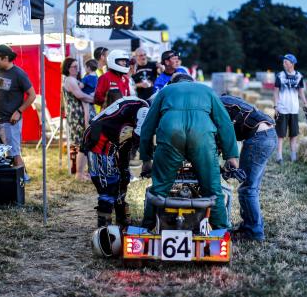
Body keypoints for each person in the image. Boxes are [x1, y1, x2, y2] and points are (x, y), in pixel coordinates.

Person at [139, 73, 239, 230]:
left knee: (159, 188)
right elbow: (224, 123)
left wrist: (146, 159)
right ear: (192, 82)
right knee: (213, 189)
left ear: (172, 83)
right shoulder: (207, 91)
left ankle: (146, 228)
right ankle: (221, 230)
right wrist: (231, 155)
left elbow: (147, 127)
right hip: (202, 136)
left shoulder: (165, 91)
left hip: (171, 133)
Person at [81, 89, 149, 227]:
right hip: (99, 140)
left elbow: (129, 142)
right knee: (107, 185)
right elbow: (139, 137)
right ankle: (104, 226)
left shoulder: (138, 108)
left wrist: (125, 167)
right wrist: (147, 161)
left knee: (122, 178)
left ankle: (121, 219)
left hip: (113, 142)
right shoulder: (143, 108)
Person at [220, 95, 277, 241]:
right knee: (252, 187)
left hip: (259, 137)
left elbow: (223, 134)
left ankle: (254, 232)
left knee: (247, 188)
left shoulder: (216, 107)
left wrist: (229, 161)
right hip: (268, 134)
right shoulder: (225, 102)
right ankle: (252, 225)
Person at [0, 44, 36, 175]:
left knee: (13, 155)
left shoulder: (19, 74)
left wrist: (19, 111)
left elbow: (32, 95)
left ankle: (22, 179)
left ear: (6, 58)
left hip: (10, 122)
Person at [62, 57, 94, 181]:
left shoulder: (73, 79)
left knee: (84, 144)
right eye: (73, 67)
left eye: (77, 66)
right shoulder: (70, 80)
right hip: (77, 116)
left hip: (78, 115)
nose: (76, 69)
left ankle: (81, 172)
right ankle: (79, 174)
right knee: (83, 144)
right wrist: (95, 99)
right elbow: (80, 95)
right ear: (67, 68)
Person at [273, 53, 307, 164]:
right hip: (282, 109)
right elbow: (276, 91)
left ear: (292, 64)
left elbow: (301, 91)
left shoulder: (299, 76)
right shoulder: (280, 76)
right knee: (280, 134)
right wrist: (276, 106)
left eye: (286, 62)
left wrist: (305, 103)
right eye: (283, 62)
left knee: (294, 134)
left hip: (294, 109)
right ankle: (279, 157)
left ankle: (293, 156)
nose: (283, 64)